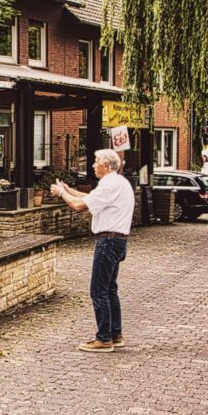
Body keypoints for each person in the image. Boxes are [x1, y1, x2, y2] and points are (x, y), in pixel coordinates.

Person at [53, 148, 135, 353]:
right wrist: (69, 189)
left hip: (107, 241)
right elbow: (90, 198)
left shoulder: (109, 184)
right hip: (118, 241)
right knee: (110, 289)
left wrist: (62, 193)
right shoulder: (118, 182)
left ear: (106, 165)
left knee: (98, 290)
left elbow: (79, 206)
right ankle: (115, 334)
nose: (92, 165)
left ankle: (104, 338)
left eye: (96, 161)